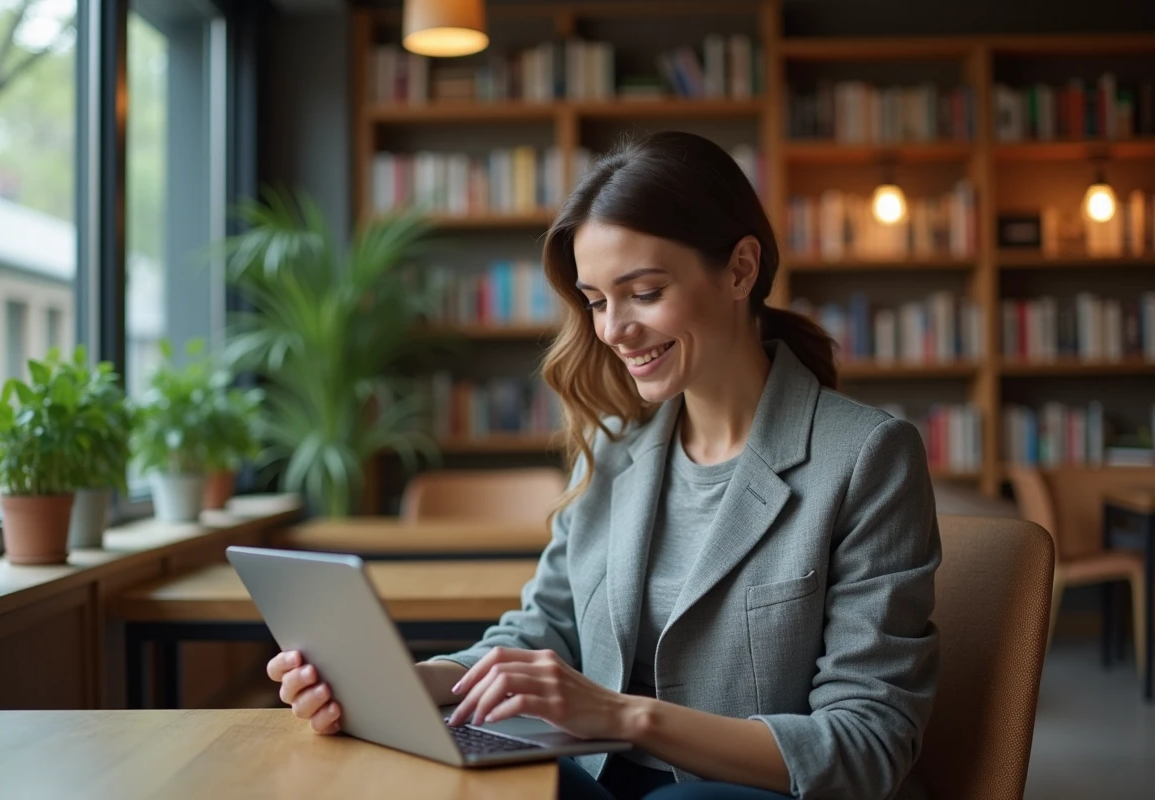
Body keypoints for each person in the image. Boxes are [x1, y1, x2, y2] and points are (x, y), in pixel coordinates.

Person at [268, 130, 941, 800]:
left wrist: (624, 717)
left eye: (643, 292)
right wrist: (405, 685)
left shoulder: (866, 457)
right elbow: (545, 631)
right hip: (600, 777)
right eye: (595, 301)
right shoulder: (614, 445)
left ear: (740, 269)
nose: (613, 329)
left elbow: (867, 744)